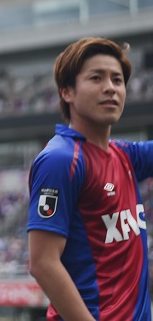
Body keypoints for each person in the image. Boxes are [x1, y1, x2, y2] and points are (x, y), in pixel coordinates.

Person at [27, 37, 153, 320]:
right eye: (97, 78)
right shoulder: (60, 160)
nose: (110, 88)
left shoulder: (125, 155)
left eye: (118, 80)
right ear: (67, 92)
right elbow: (43, 263)